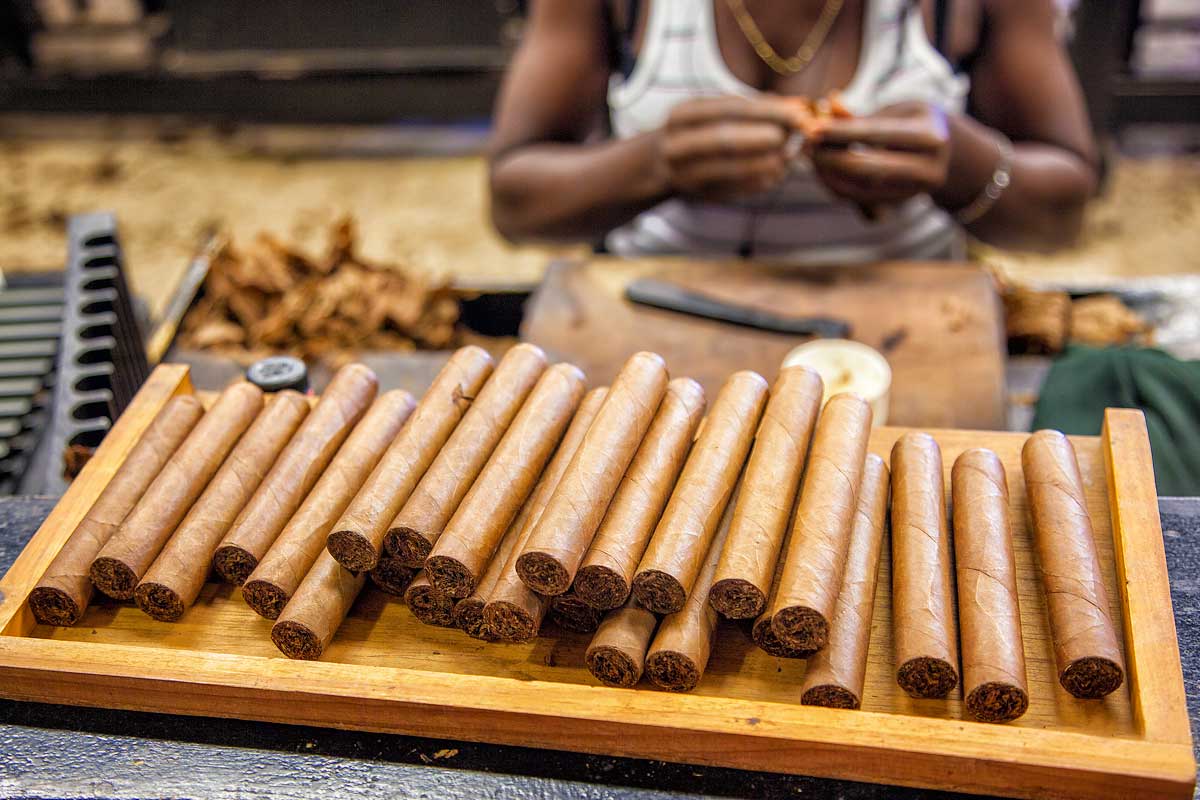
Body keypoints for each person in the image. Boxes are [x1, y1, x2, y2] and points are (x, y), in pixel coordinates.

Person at [487, 0, 1098, 262]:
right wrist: (655, 165)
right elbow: (515, 202)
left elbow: (1064, 212)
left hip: (903, 324)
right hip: (656, 326)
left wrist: (962, 164)